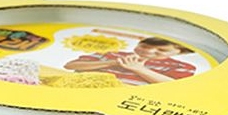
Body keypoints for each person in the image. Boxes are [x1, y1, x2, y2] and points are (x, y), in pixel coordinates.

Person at [64, 36, 196, 85]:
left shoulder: (181, 66)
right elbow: (70, 66)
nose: (149, 52)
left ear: (180, 52)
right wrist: (114, 62)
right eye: (144, 46)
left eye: (161, 50)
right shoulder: (112, 54)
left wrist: (138, 69)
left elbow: (172, 85)